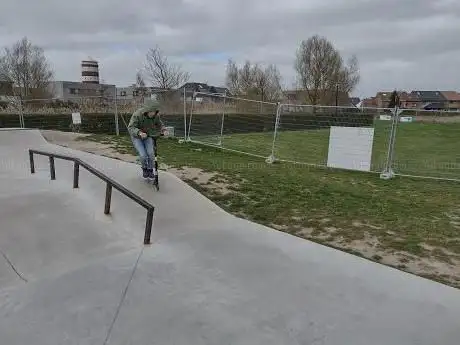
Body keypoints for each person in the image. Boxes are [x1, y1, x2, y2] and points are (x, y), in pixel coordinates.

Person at [128, 100, 166, 178]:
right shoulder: (137, 115)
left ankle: (150, 170)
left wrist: (164, 130)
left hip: (148, 136)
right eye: (151, 112)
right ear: (147, 110)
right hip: (137, 137)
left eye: (154, 112)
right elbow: (131, 127)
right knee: (143, 155)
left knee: (151, 154)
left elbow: (160, 124)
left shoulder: (155, 116)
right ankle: (145, 169)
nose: (153, 114)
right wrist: (139, 133)